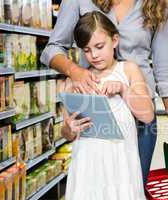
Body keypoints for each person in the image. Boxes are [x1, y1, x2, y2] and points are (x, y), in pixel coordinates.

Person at [41, 0, 168, 186]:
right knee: (97, 185)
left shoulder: (157, 3)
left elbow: (164, 66)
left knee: (133, 186)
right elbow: (52, 48)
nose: (94, 54)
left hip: (139, 112)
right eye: (88, 50)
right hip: (96, 109)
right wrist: (74, 70)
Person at [62, 11, 153, 199]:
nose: (93, 55)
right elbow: (67, 133)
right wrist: (69, 129)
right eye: (86, 50)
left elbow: (147, 115)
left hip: (120, 164)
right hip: (87, 164)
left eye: (99, 46)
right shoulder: (77, 80)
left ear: (115, 40)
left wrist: (122, 89)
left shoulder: (128, 70)